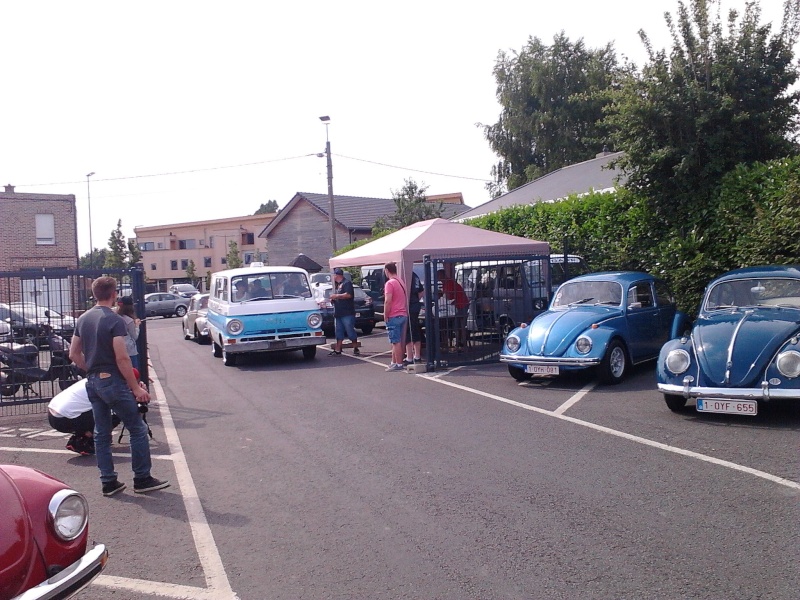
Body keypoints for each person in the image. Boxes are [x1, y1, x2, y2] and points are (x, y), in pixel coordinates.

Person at [70, 276, 169, 497]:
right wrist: (136, 388)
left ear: (95, 294)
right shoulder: (114, 320)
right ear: (114, 294)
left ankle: (108, 482)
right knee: (137, 428)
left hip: (93, 383)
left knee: (102, 433)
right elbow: (122, 358)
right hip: (112, 381)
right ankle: (142, 478)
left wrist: (92, 369)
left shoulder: (83, 319)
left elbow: (73, 353)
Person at [48, 371, 138, 456]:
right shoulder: (109, 386)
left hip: (53, 414)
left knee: (96, 408)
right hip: (64, 418)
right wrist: (135, 396)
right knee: (115, 414)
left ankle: (79, 437)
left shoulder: (97, 378)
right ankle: (88, 439)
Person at [328, 268, 360, 357]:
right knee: (338, 331)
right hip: (338, 312)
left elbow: (348, 295)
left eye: (334, 275)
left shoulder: (347, 283)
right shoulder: (337, 285)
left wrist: (336, 296)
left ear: (337, 275)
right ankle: (338, 349)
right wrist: (333, 299)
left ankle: (355, 348)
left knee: (350, 330)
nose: (333, 277)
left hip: (347, 312)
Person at [383, 262, 408, 371]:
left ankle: (398, 363)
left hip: (394, 314)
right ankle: (394, 362)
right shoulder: (400, 281)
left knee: (395, 341)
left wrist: (385, 314)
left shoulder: (390, 283)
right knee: (397, 340)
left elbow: (388, 301)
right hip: (403, 313)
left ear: (387, 270)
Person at [437, 268, 470, 350]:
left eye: (438, 276)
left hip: (461, 305)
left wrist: (441, 295)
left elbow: (448, 296)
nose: (437, 278)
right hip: (459, 305)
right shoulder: (447, 283)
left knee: (458, 325)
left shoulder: (448, 283)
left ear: (442, 275)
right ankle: (457, 343)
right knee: (456, 324)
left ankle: (459, 344)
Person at [404, 270, 424, 366]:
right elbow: (421, 291)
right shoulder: (415, 275)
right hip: (416, 306)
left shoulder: (406, 275)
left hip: (410, 306)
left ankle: (409, 357)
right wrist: (416, 300)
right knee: (415, 330)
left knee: (408, 331)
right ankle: (417, 356)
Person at [116, 295, 141, 369]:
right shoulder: (129, 320)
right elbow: (135, 336)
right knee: (134, 372)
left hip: (117, 350)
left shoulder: (115, 317)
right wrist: (137, 326)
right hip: (129, 351)